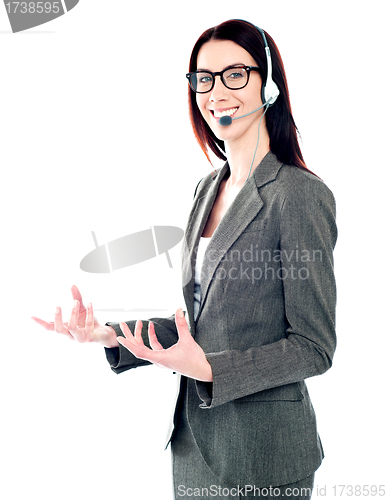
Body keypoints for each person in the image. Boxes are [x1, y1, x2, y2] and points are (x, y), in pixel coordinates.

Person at [32, 19, 337, 500]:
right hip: (194, 447)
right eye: (204, 78)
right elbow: (199, 326)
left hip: (267, 457)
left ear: (269, 83)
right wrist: (109, 334)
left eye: (235, 74)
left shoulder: (298, 195)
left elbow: (314, 347)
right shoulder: (206, 189)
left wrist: (211, 370)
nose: (217, 91)